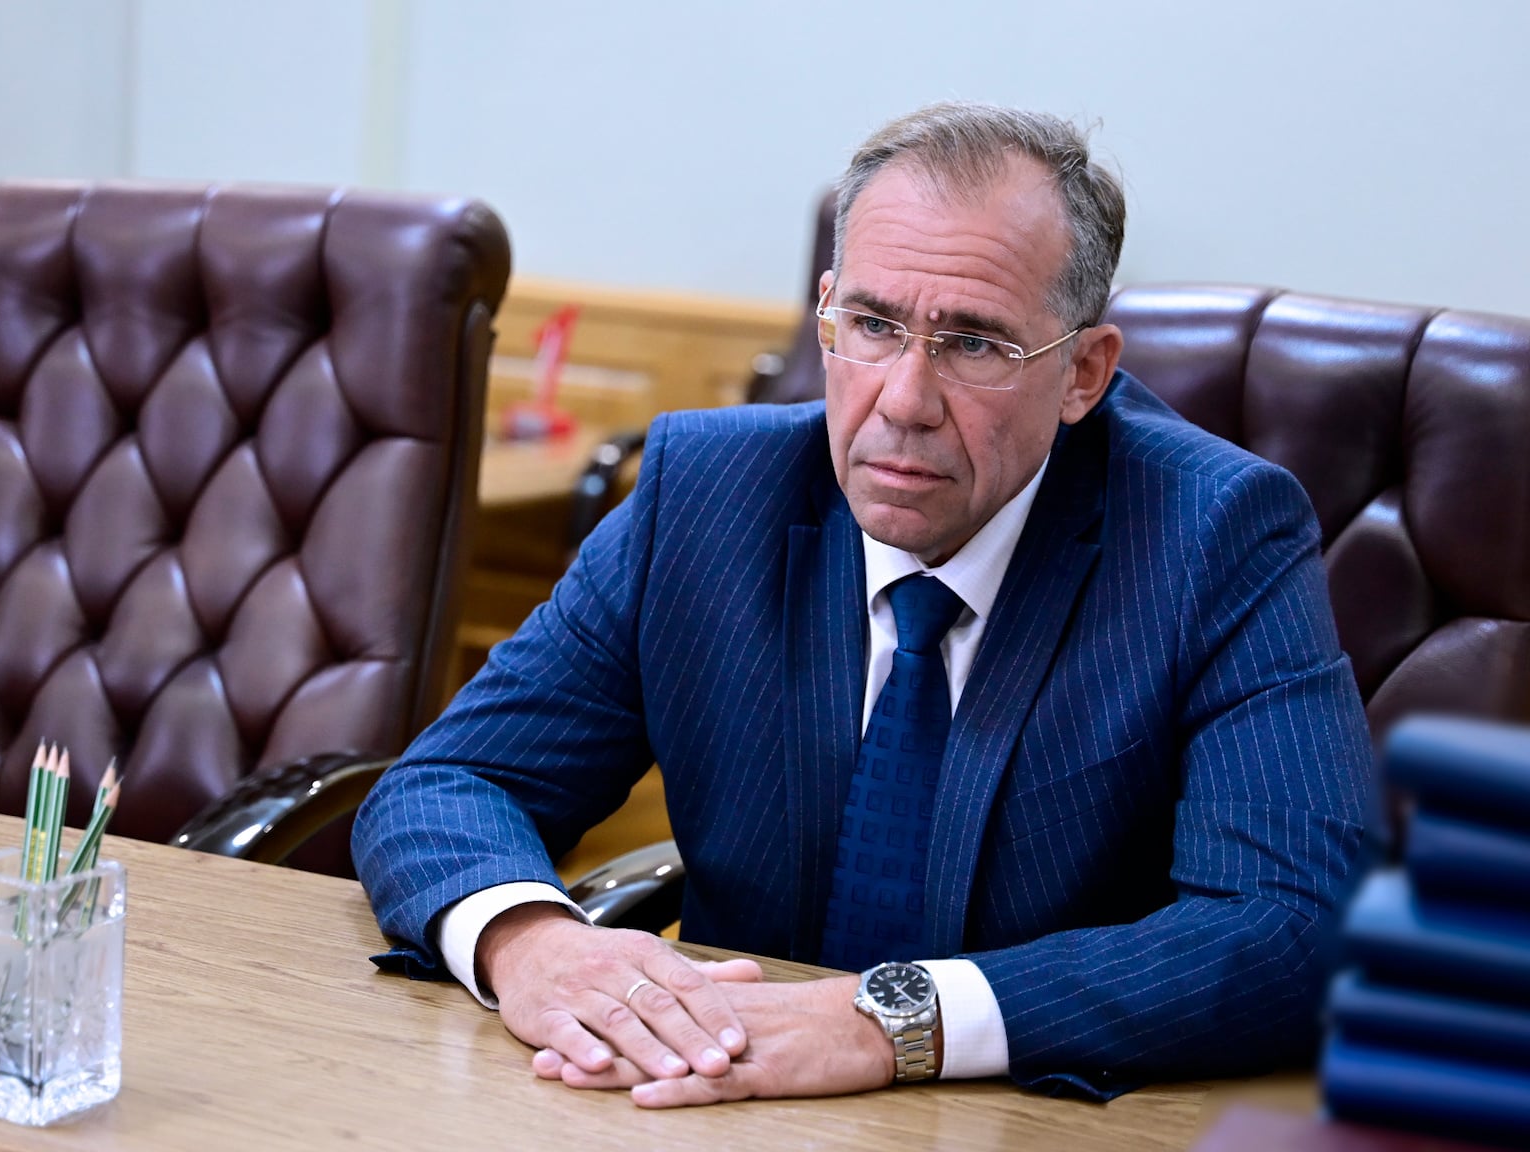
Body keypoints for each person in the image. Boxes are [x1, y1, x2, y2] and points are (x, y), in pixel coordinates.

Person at [352, 102, 1375, 1109]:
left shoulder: (1212, 534)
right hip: (715, 1108)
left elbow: (1295, 925)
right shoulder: (707, 496)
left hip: (1021, 1123)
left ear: (1083, 373)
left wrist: (890, 1022)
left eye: (974, 344)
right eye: (875, 327)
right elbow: (449, 781)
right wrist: (530, 942)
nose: (904, 401)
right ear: (827, 314)